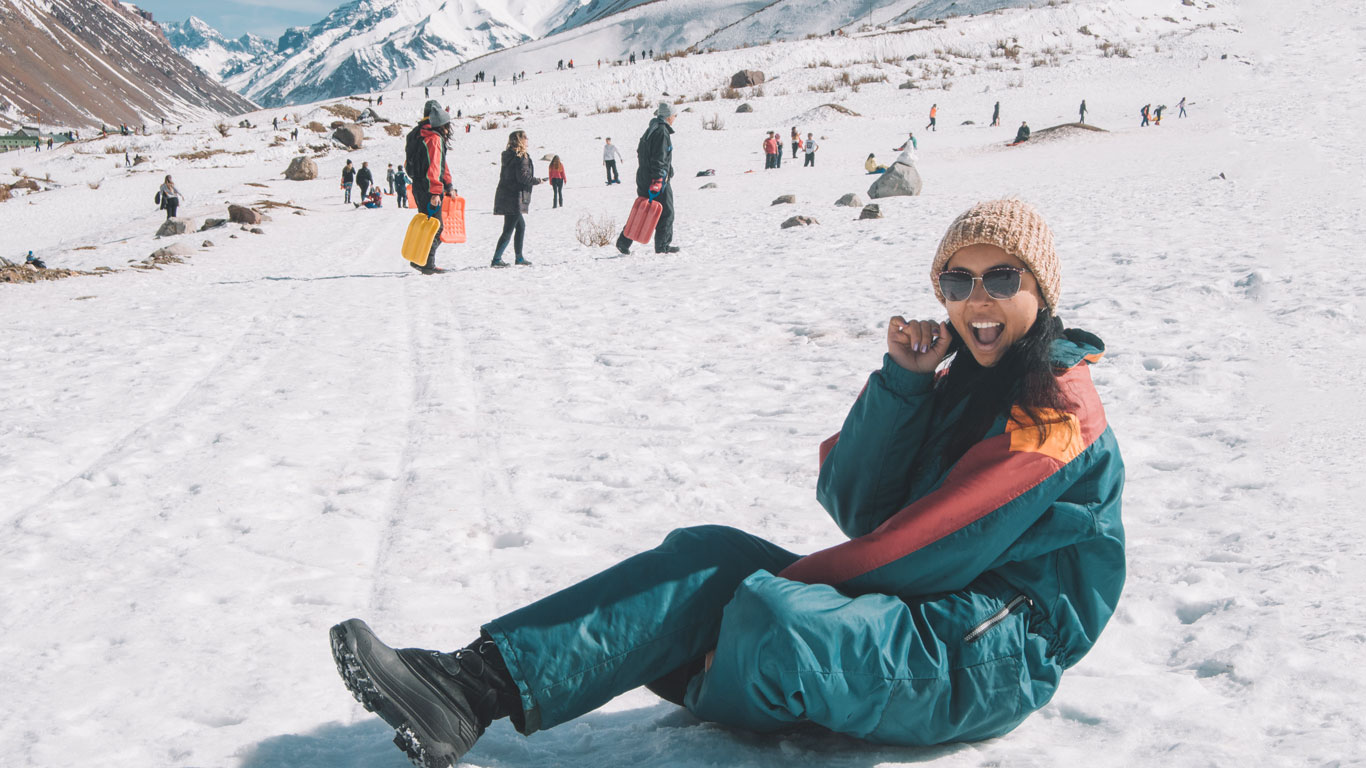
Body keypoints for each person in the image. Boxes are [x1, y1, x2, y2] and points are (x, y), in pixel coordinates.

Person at [329, 198, 1126, 768]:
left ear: (1041, 291)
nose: (976, 300)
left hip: (997, 651)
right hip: (929, 616)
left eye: (999, 278)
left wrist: (726, 608)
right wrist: (906, 384)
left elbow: (924, 552)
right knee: (708, 555)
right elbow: (859, 507)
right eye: (957, 282)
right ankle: (468, 687)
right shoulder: (960, 381)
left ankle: (684, 652)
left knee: (770, 614)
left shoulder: (1052, 412)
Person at [616, 102, 679, 255]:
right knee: (666, 212)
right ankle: (662, 246)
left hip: (644, 177)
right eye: (674, 116)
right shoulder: (662, 132)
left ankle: (624, 241)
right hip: (657, 179)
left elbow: (643, 153)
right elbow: (659, 157)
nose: (675, 119)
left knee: (642, 210)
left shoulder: (651, 129)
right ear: (669, 116)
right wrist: (658, 179)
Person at [405, 100, 455, 274]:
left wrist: (448, 184)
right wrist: (436, 191)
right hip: (430, 188)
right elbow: (436, 166)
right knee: (437, 226)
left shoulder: (416, 134)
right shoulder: (434, 138)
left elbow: (438, 164)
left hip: (418, 185)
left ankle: (419, 259)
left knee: (426, 225)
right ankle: (427, 263)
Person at [490, 130, 541, 267]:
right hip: (515, 197)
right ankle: (497, 259)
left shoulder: (508, 155)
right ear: (520, 140)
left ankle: (518, 257)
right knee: (508, 229)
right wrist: (538, 181)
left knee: (520, 226)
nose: (527, 140)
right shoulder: (521, 157)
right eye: (525, 137)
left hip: (505, 194)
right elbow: (523, 177)